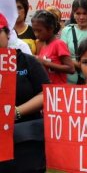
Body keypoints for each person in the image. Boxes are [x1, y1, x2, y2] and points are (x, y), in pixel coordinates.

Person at [0, 13, 50, 173]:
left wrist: (15, 113)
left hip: (26, 141)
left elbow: (45, 94)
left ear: (8, 34)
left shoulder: (27, 61)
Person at [61, 0, 87, 84]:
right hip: (69, 82)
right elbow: (63, 56)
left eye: (85, 13)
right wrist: (80, 65)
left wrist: (85, 65)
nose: (81, 17)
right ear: (73, 14)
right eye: (78, 13)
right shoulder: (67, 31)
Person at [32, 10, 75, 84]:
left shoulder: (59, 44)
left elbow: (71, 69)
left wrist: (45, 63)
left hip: (59, 91)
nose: (36, 34)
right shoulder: (43, 45)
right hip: (48, 90)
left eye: (39, 31)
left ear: (50, 29)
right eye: (34, 30)